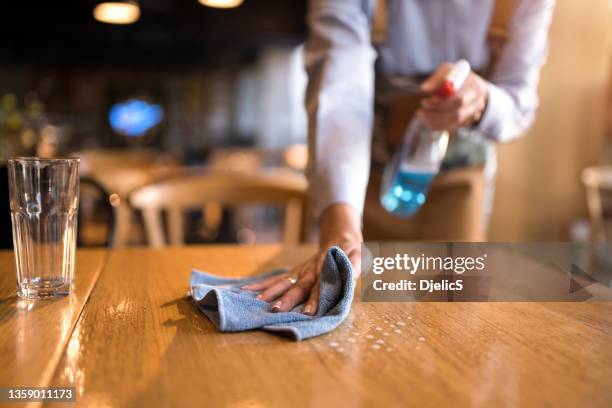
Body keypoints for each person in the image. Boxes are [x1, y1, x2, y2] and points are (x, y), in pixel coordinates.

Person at [243, 0, 555, 313]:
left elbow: (519, 102)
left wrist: (482, 99)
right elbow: (340, 84)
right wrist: (341, 225)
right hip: (362, 188)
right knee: (362, 319)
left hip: (461, 192)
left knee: (453, 322)